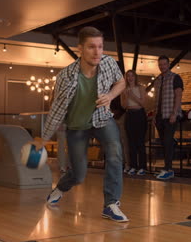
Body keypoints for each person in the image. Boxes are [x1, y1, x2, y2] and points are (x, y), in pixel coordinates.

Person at [38, 26, 128, 222]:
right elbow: (57, 110)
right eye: (91, 47)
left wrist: (111, 96)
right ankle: (61, 188)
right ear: (80, 49)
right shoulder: (66, 76)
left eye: (100, 47)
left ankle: (111, 204)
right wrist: (43, 139)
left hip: (102, 118)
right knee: (79, 175)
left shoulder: (108, 63)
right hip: (77, 126)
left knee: (115, 152)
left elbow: (121, 82)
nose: (97, 52)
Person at [153, 55, 184, 180]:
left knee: (167, 141)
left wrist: (174, 113)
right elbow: (156, 100)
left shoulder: (175, 78)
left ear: (168, 64)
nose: (162, 66)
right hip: (160, 116)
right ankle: (167, 167)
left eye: (164, 64)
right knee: (165, 143)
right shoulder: (158, 80)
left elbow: (178, 96)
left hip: (170, 115)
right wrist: (155, 115)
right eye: (160, 64)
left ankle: (168, 169)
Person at [120, 70, 147, 175]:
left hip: (139, 114)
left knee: (140, 141)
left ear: (135, 77)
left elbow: (143, 103)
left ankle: (142, 167)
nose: (130, 78)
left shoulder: (140, 88)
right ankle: (133, 166)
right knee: (131, 142)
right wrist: (127, 96)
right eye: (128, 76)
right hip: (130, 115)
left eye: (132, 76)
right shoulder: (124, 90)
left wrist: (133, 96)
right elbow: (124, 106)